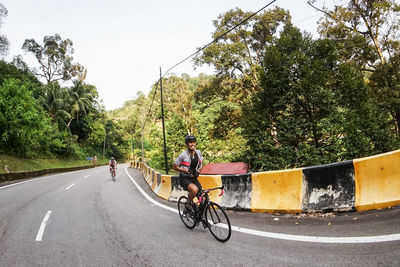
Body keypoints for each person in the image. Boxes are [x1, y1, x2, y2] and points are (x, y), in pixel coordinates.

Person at [173, 135, 204, 211]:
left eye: (194, 142)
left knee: (204, 199)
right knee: (194, 190)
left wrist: (199, 170)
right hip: (184, 178)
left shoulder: (198, 153)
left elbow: (201, 162)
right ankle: (188, 204)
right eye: (190, 142)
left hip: (194, 178)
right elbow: (174, 166)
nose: (192, 144)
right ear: (187, 144)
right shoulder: (183, 155)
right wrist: (186, 170)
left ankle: (199, 216)